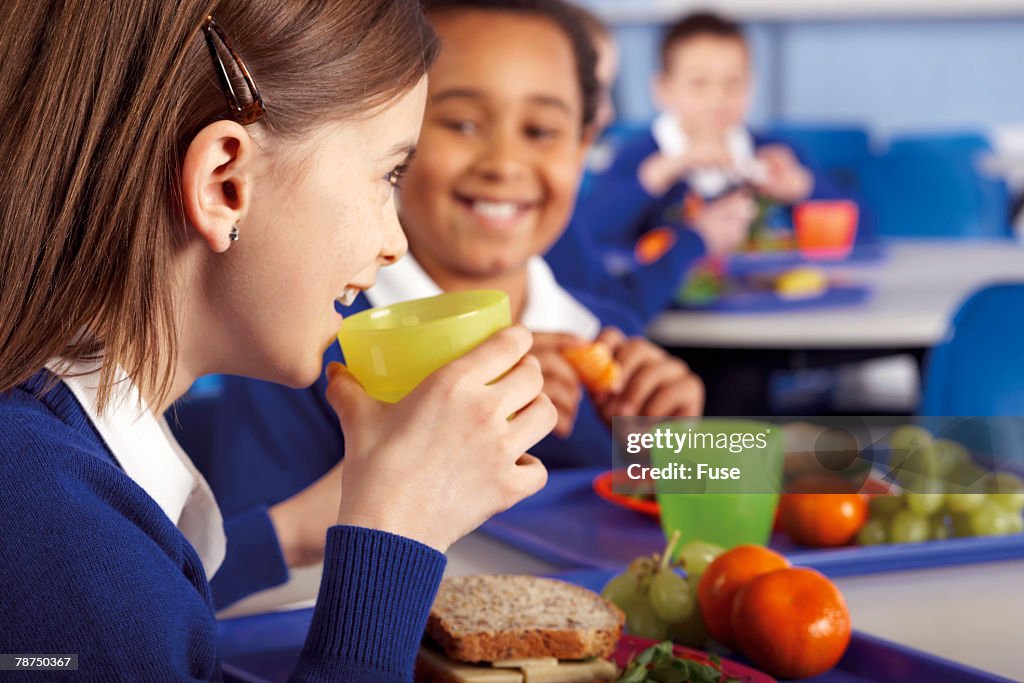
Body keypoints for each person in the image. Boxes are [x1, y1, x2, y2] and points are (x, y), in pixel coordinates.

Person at [0, 1, 557, 681]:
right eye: (386, 176)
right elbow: (110, 618)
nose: (396, 243)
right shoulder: (61, 539)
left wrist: (300, 528)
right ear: (224, 184)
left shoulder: (44, 465)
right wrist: (394, 531)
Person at [184, 0, 704, 610]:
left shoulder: (606, 332)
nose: (504, 164)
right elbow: (206, 587)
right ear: (395, 133)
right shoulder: (303, 338)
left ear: (586, 142)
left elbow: (692, 548)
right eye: (459, 124)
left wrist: (680, 454)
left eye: (541, 131)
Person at [569, 11, 845, 320]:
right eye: (699, 84)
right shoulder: (639, 158)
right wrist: (660, 173)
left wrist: (801, 186)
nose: (717, 98)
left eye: (733, 83)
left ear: (751, 86)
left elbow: (860, 231)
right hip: (670, 327)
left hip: (763, 321)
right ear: (663, 89)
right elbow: (588, 235)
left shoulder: (774, 154)